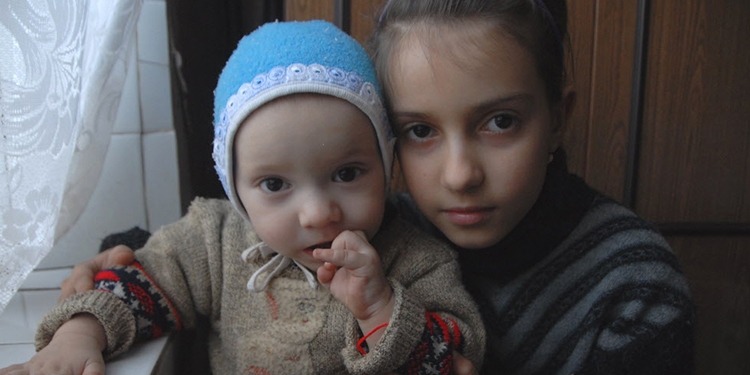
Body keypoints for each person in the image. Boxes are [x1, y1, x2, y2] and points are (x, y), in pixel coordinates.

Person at [52, 0, 697, 374]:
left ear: (558, 117)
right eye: (420, 130)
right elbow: (216, 247)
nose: (460, 174)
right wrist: (121, 263)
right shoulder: (381, 220)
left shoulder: (633, 287)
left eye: (501, 122)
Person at [0, 20, 485, 375]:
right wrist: (80, 332)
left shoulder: (418, 261)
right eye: (275, 185)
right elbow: (141, 282)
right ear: (235, 187)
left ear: (386, 163)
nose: (318, 213)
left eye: (347, 173)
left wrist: (379, 306)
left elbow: (461, 355)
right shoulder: (214, 242)